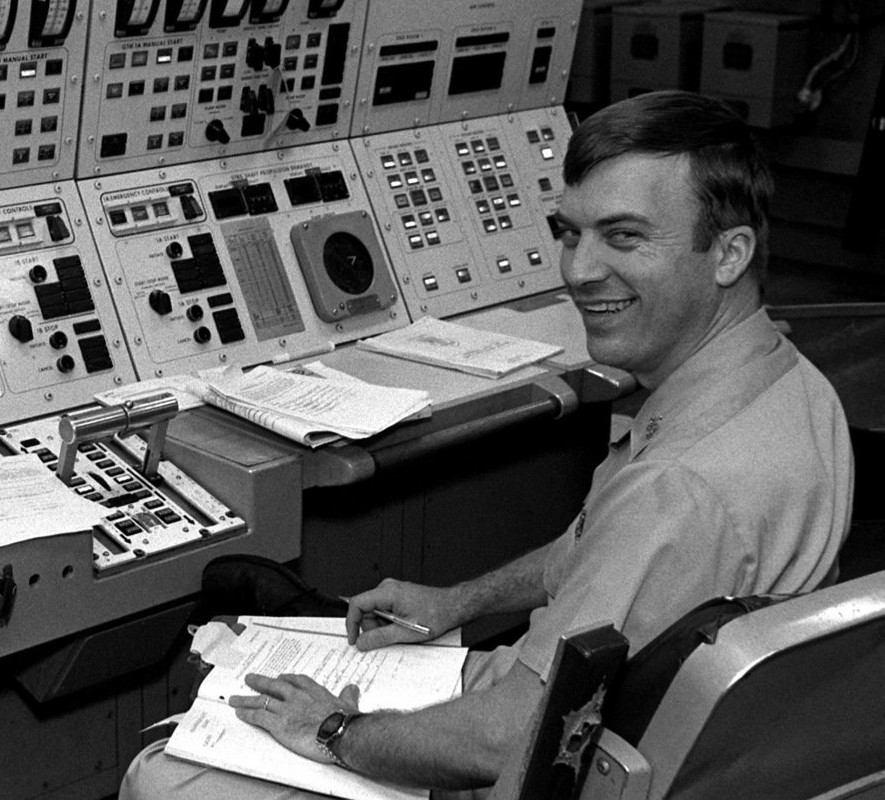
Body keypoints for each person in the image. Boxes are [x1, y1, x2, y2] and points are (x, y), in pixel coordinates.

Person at [120, 91, 854, 798]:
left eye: (624, 236)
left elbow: (508, 740)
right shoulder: (794, 389)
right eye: (570, 232)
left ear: (728, 254)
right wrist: (458, 600)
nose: (579, 269)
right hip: (665, 746)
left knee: (163, 771)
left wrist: (337, 728)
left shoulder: (678, 489)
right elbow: (599, 550)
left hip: (545, 763)